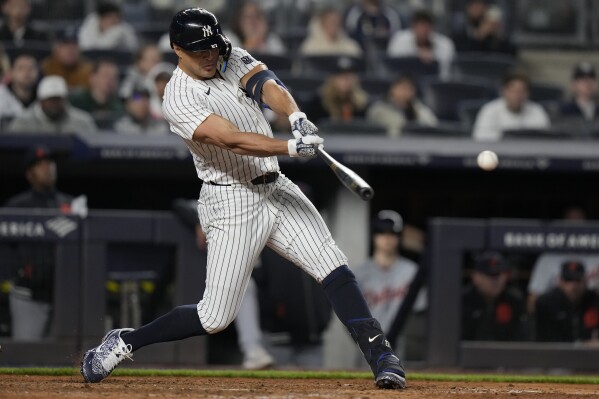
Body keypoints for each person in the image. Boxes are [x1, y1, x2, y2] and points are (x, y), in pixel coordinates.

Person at [80, 8, 406, 390]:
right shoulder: (177, 97)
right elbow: (229, 138)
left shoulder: (226, 53)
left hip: (276, 187)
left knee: (333, 267)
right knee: (214, 317)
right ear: (176, 49)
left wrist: (296, 115)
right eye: (198, 49)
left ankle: (382, 355)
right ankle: (124, 341)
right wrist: (287, 145)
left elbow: (264, 82)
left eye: (212, 47)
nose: (209, 55)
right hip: (232, 200)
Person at [3, 146, 75, 340]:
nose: (47, 168)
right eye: (40, 165)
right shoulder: (16, 206)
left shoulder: (70, 204)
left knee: (64, 358)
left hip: (64, 295)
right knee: (25, 355)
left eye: (49, 163)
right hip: (28, 294)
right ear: (29, 174)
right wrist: (17, 271)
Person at [353, 210, 427, 363]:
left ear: (399, 237)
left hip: (403, 347)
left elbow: (420, 314)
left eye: (392, 233)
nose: (387, 238)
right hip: (369, 348)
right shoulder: (360, 273)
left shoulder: (412, 271)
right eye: (382, 232)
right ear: (374, 235)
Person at [461, 251, 527, 341]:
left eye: (498, 274)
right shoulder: (462, 301)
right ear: (475, 277)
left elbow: (521, 339)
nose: (495, 281)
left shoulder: (514, 301)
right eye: (490, 275)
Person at [472, 71, 551, 141]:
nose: (518, 95)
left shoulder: (537, 111)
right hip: (498, 155)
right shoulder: (489, 110)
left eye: (522, 91)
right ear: (504, 91)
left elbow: (544, 141)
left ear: (528, 93)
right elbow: (480, 139)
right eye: (514, 91)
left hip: (529, 155)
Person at [8, 75, 97, 134]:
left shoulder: (83, 122)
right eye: (50, 100)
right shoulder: (23, 122)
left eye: (58, 100)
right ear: (41, 101)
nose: (54, 104)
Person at [535, 261, 599, 342]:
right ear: (560, 282)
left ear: (585, 281)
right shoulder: (546, 303)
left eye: (578, 280)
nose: (573, 285)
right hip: (556, 353)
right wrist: (580, 345)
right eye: (568, 280)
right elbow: (545, 341)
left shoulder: (595, 301)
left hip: (589, 353)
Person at [387, 10, 456, 80]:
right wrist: (417, 55)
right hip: (405, 83)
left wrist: (433, 59)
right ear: (413, 26)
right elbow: (392, 68)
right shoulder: (399, 40)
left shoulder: (445, 44)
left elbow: (445, 75)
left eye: (427, 26)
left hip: (433, 83)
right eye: (420, 25)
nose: (423, 30)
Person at [366, 73, 437, 137]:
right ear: (392, 89)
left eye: (409, 88)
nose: (405, 91)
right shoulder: (379, 110)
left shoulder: (420, 109)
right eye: (402, 87)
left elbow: (432, 127)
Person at [304, 56, 369, 123]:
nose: (345, 81)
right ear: (332, 79)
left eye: (349, 77)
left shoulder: (362, 103)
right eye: (341, 77)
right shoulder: (318, 102)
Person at [68, 59, 123, 129]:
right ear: (93, 78)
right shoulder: (75, 102)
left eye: (114, 77)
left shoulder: (118, 106)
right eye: (106, 75)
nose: (110, 80)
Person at [452, 0, 517, 55]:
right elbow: (463, 55)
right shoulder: (461, 31)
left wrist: (498, 37)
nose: (477, 9)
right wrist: (479, 36)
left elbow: (509, 54)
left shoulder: (492, 30)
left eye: (479, 4)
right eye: (474, 5)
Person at [299, 5, 363, 57]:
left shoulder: (351, 47)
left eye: (336, 23)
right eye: (330, 22)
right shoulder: (310, 48)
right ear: (322, 23)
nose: (334, 26)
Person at [0, 52, 38, 130]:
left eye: (31, 68)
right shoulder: (1, 96)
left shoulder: (44, 97)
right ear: (11, 72)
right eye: (21, 68)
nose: (27, 72)